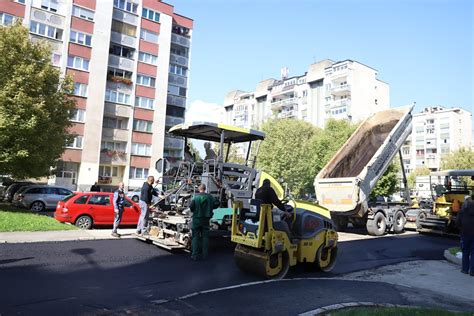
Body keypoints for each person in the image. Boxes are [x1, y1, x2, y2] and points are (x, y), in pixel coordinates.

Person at [190, 184, 219, 261]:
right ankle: (205, 255)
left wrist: (194, 211)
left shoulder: (195, 197)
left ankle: (194, 255)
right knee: (205, 237)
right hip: (206, 220)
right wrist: (210, 207)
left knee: (195, 237)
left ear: (199, 189)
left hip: (196, 219)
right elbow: (217, 204)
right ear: (205, 189)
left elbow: (191, 207)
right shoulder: (210, 197)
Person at [456, 195, 474, 276]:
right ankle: (472, 271)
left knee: (465, 252)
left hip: (465, 234)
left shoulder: (462, 211)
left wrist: (461, 228)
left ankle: (465, 269)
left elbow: (457, 223)